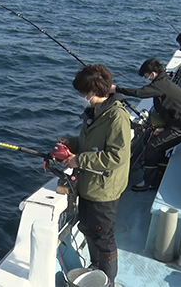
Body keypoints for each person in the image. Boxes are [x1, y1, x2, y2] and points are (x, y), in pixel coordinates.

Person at [57, 64, 131, 286]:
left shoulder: (117, 117)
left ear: (92, 91)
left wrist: (79, 160)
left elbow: (117, 156)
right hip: (89, 186)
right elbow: (92, 144)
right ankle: (96, 267)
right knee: (89, 229)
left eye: (83, 92)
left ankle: (108, 281)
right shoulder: (94, 113)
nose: (81, 96)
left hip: (103, 191)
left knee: (104, 238)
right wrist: (73, 143)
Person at [111, 58, 181, 192]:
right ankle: (158, 170)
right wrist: (164, 127)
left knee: (153, 146)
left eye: (146, 75)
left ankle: (149, 182)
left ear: (153, 73)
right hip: (178, 122)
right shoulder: (164, 82)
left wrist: (116, 89)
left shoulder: (160, 85)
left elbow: (140, 93)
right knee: (156, 141)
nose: (146, 78)